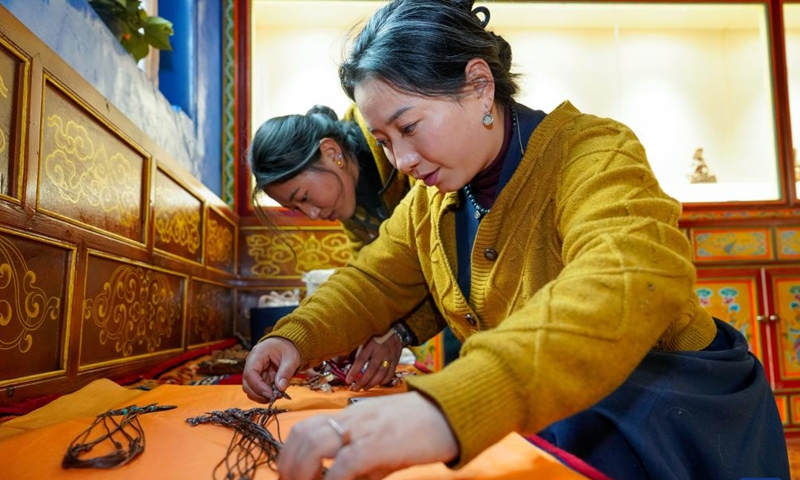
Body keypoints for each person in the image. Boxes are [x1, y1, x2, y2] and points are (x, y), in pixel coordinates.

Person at [242, 1, 791, 479]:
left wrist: (451, 408)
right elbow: (373, 281)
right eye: (384, 142)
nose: (402, 161)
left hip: (671, 422)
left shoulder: (592, 153)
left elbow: (624, 278)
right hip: (559, 413)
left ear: (479, 86)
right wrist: (296, 337)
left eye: (409, 128)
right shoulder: (430, 201)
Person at [249, 104, 448, 390]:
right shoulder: (349, 200)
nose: (312, 215)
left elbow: (440, 263)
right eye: (295, 208)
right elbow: (370, 281)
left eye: (304, 196)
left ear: (332, 154)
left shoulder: (406, 158)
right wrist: (358, 332)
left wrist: (400, 331)